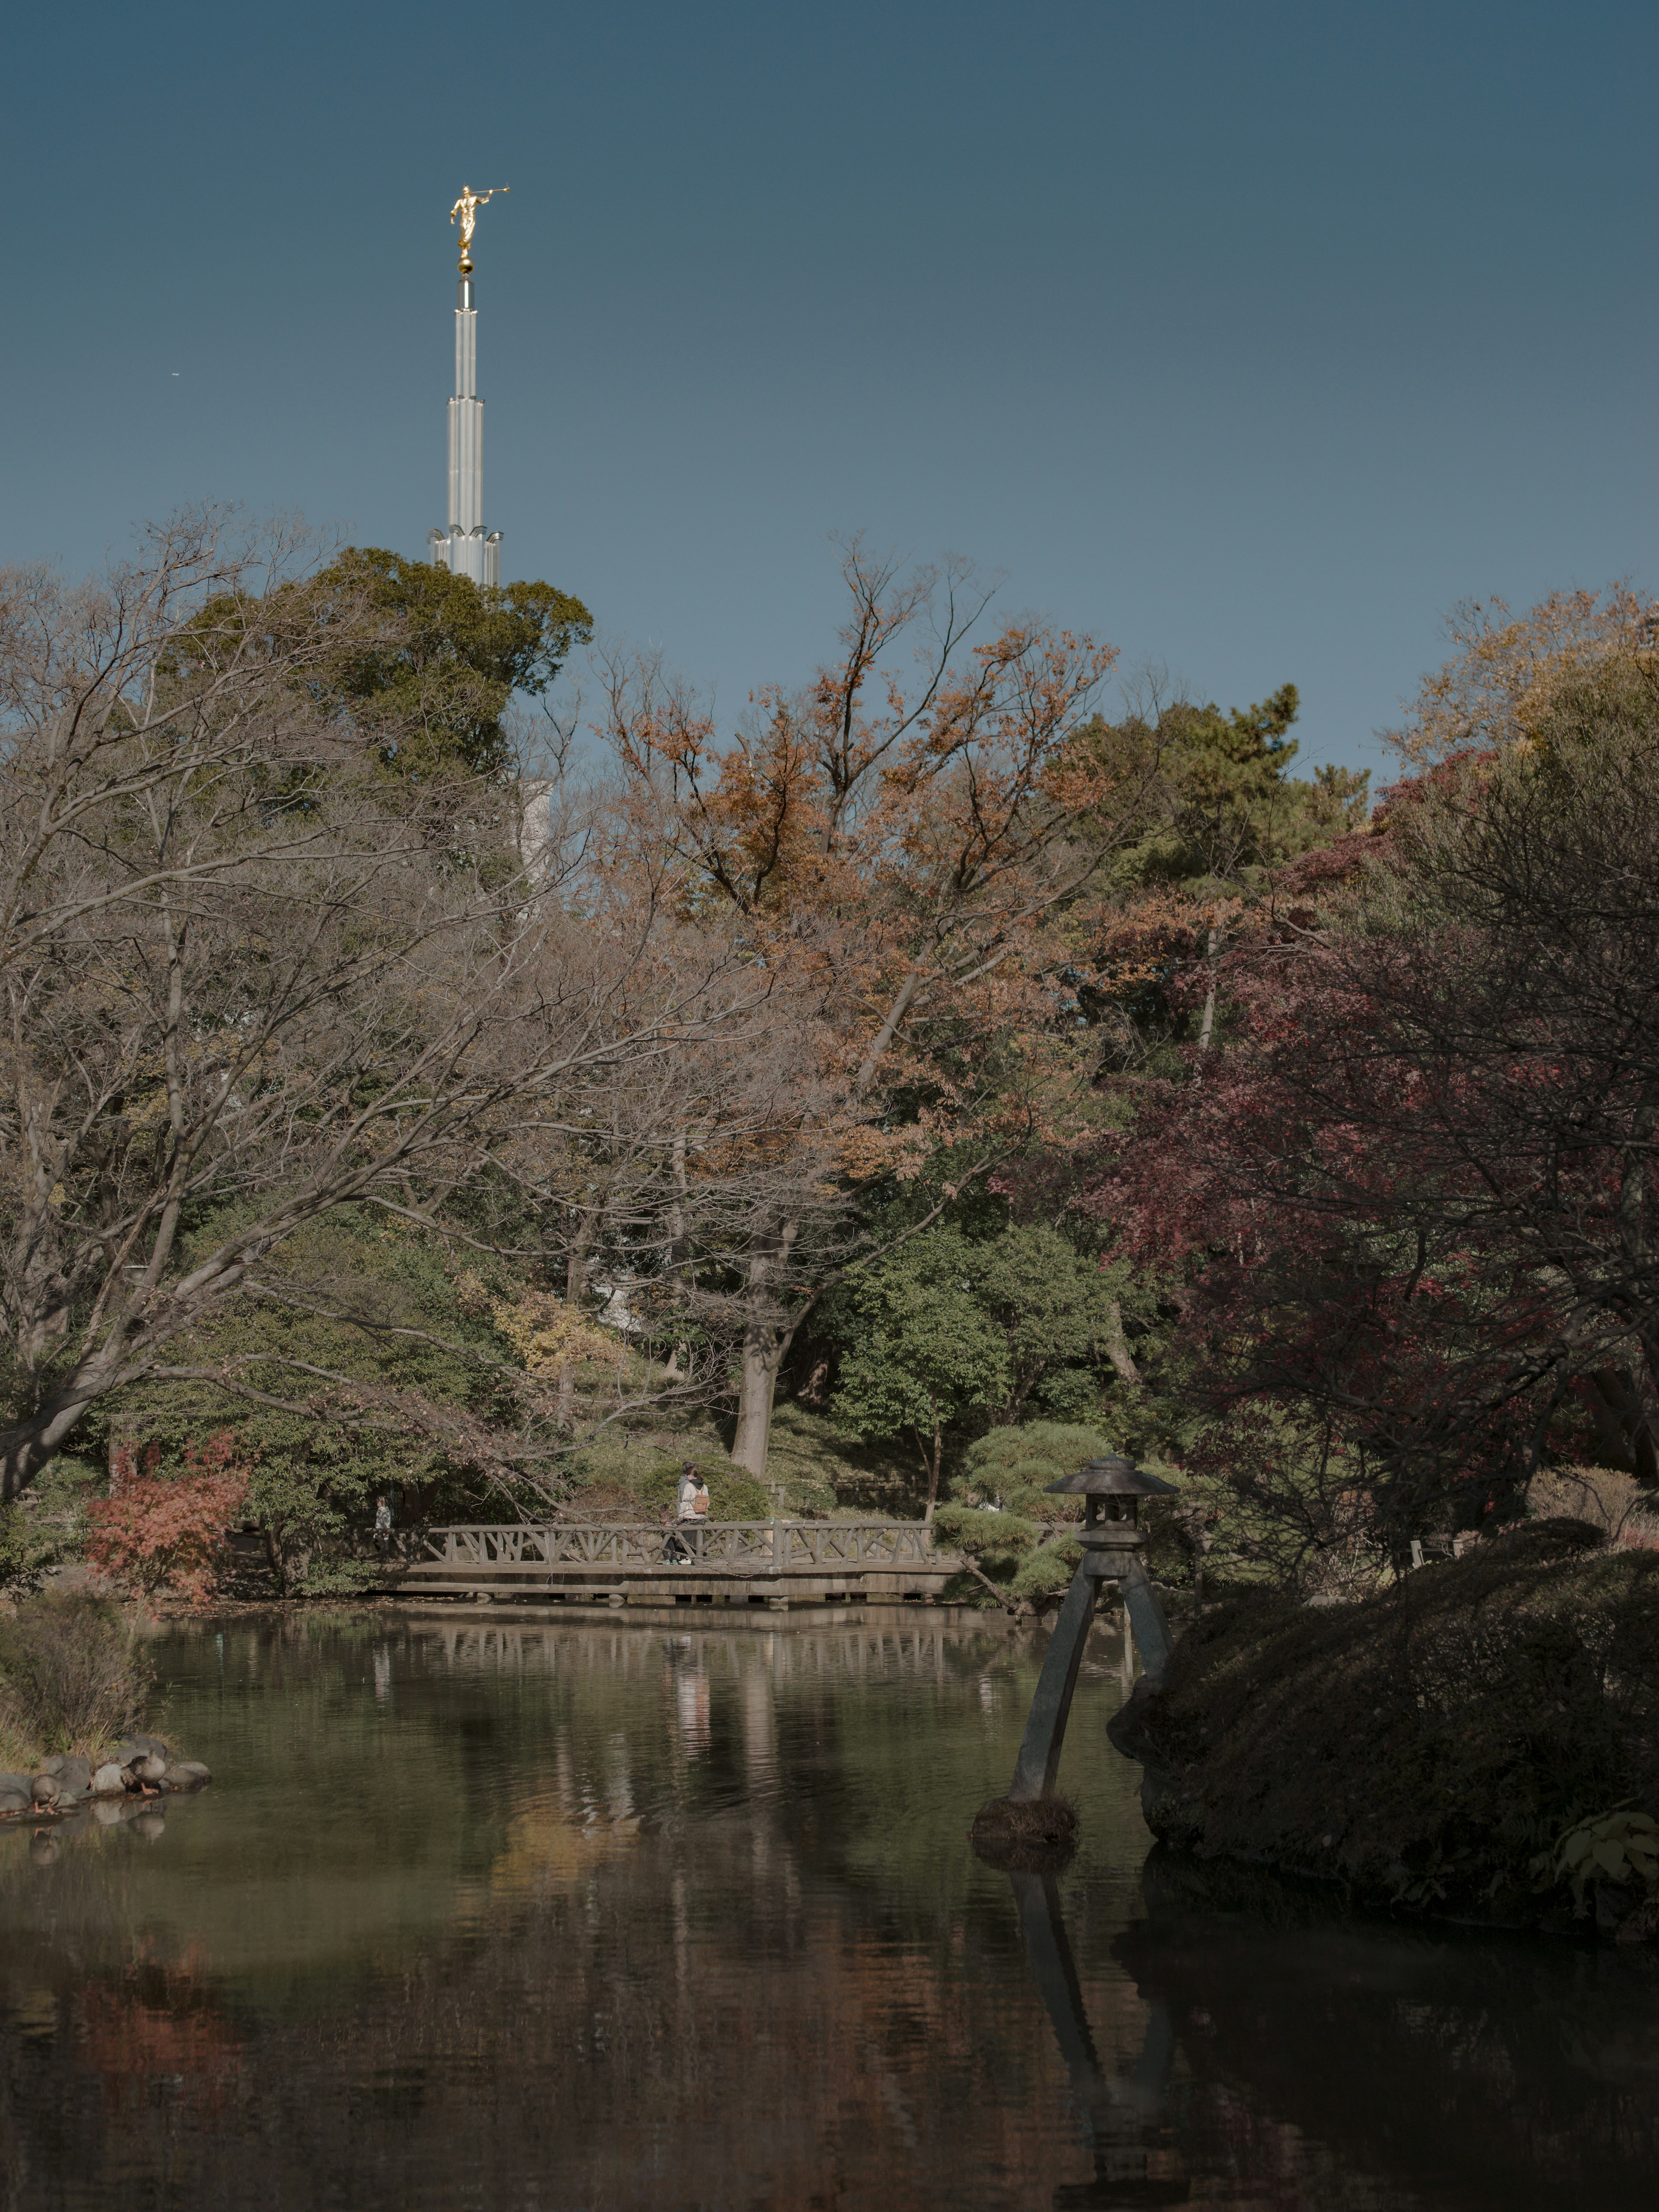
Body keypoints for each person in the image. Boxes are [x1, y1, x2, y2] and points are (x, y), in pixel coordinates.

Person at [373, 1494, 392, 1558]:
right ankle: (385, 1557)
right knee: (385, 1543)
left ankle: (382, 1556)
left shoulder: (379, 1511)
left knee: (375, 1542)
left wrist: (377, 1530)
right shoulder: (388, 1510)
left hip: (380, 1530)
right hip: (387, 1529)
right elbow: (388, 1521)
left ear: (379, 1503)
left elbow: (379, 1522)